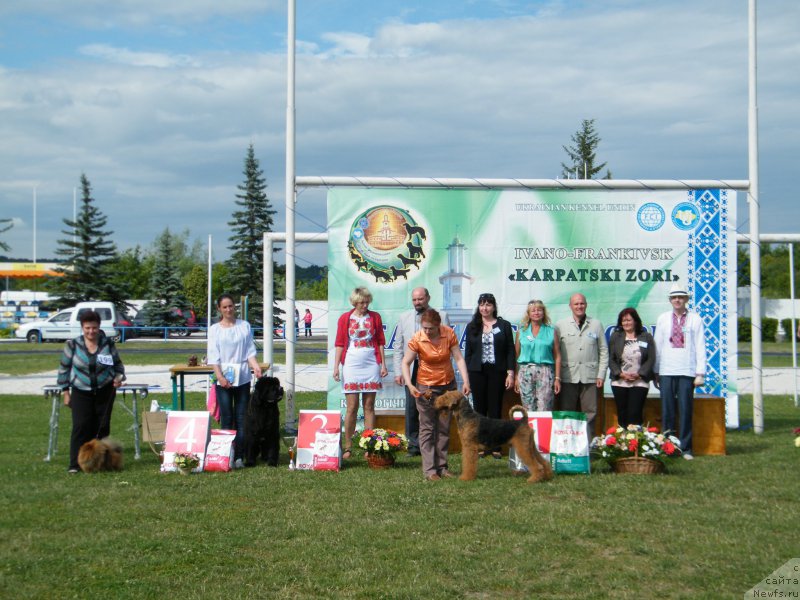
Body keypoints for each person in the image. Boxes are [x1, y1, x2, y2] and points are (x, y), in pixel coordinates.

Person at [402, 308, 470, 481]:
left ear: (438, 325)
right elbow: (406, 362)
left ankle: (442, 467)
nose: (426, 331)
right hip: (426, 388)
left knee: (444, 427)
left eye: (430, 328)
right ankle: (430, 470)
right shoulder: (417, 338)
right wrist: (410, 384)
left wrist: (466, 381)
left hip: (448, 387)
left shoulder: (449, 334)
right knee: (427, 428)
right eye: (424, 327)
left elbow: (459, 358)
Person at [57, 310, 126, 473]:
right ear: (82, 327)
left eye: (94, 328)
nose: (91, 331)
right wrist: (65, 393)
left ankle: (101, 463)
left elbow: (118, 366)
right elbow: (63, 370)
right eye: (87, 328)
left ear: (99, 327)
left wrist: (118, 378)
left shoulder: (107, 344)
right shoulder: (72, 345)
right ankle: (75, 464)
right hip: (81, 391)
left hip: (105, 391)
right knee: (81, 427)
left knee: (102, 428)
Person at [207, 293, 262, 469]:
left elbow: (249, 352)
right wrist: (220, 377)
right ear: (219, 309)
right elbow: (213, 357)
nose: (229, 309)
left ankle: (239, 456)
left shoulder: (244, 326)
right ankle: (225, 455)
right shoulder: (214, 329)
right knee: (226, 417)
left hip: (243, 378)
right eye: (225, 307)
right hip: (223, 380)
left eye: (231, 306)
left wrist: (256, 367)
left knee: (241, 418)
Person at [393, 287, 450, 457]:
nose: (417, 302)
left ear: (428, 298)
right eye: (414, 300)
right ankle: (413, 445)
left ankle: (433, 445)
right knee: (411, 408)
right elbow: (398, 346)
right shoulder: (404, 318)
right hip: (411, 369)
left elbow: (448, 344)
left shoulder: (442, 316)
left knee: (433, 407)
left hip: (434, 369)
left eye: (420, 299)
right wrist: (398, 371)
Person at [333, 287, 388, 459]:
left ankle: (369, 445)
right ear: (354, 302)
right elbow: (340, 343)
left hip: (371, 363)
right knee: (351, 407)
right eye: (361, 302)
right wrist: (336, 367)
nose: (365, 305)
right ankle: (348, 446)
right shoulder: (345, 318)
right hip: (351, 363)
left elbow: (380, 341)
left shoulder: (375, 317)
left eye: (367, 302)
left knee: (369, 406)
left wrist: (383, 364)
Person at [653, 283, 706, 460]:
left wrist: (700, 373)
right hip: (667, 369)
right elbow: (658, 345)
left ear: (686, 299)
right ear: (670, 300)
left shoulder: (695, 319)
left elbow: (700, 346)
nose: (677, 300)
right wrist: (656, 370)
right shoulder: (663, 318)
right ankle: (667, 446)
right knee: (667, 410)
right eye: (674, 297)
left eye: (681, 297)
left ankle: (686, 448)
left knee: (685, 410)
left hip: (687, 371)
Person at [464, 292, 515, 459]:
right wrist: (468, 375)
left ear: (494, 307)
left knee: (495, 409)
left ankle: (496, 446)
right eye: (481, 304)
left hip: (497, 372)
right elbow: (468, 353)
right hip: (477, 372)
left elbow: (510, 350)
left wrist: (510, 373)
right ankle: (481, 444)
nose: (484, 308)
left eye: (488, 305)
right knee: (479, 410)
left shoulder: (504, 325)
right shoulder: (472, 326)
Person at [555, 293, 609, 443]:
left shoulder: (596, 324)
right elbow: (556, 352)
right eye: (576, 304)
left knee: (590, 414)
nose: (579, 306)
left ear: (586, 304)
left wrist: (601, 374)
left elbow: (603, 351)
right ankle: (567, 446)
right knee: (567, 414)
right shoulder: (560, 325)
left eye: (582, 303)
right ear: (570, 306)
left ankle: (587, 448)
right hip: (568, 376)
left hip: (590, 377)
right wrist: (557, 377)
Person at [608, 307, 656, 428]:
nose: (626, 323)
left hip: (639, 382)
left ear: (635, 321)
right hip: (619, 382)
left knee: (635, 413)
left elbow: (651, 358)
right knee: (622, 413)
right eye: (623, 320)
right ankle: (622, 444)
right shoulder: (616, 336)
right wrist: (620, 374)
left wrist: (640, 374)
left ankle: (636, 443)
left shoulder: (646, 336)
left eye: (629, 320)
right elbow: (611, 358)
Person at [514, 299, 561, 412]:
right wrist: (516, 377)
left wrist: (557, 378)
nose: (536, 313)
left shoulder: (551, 331)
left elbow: (557, 356)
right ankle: (529, 430)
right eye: (533, 310)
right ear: (528, 314)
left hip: (545, 372)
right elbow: (516, 355)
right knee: (527, 408)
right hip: (525, 372)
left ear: (543, 312)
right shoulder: (521, 331)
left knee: (544, 407)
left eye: (539, 310)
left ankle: (543, 430)